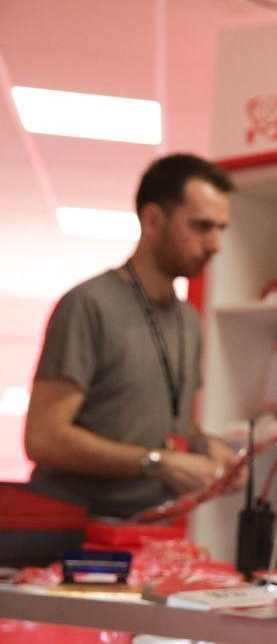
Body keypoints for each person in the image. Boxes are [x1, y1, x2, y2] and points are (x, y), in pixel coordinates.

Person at [23, 154, 242, 519]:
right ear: (154, 219)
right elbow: (44, 439)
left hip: (149, 530)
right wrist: (157, 463)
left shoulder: (188, 319)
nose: (216, 244)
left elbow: (169, 421)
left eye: (221, 229)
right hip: (76, 535)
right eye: (202, 226)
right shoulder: (89, 305)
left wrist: (206, 444)